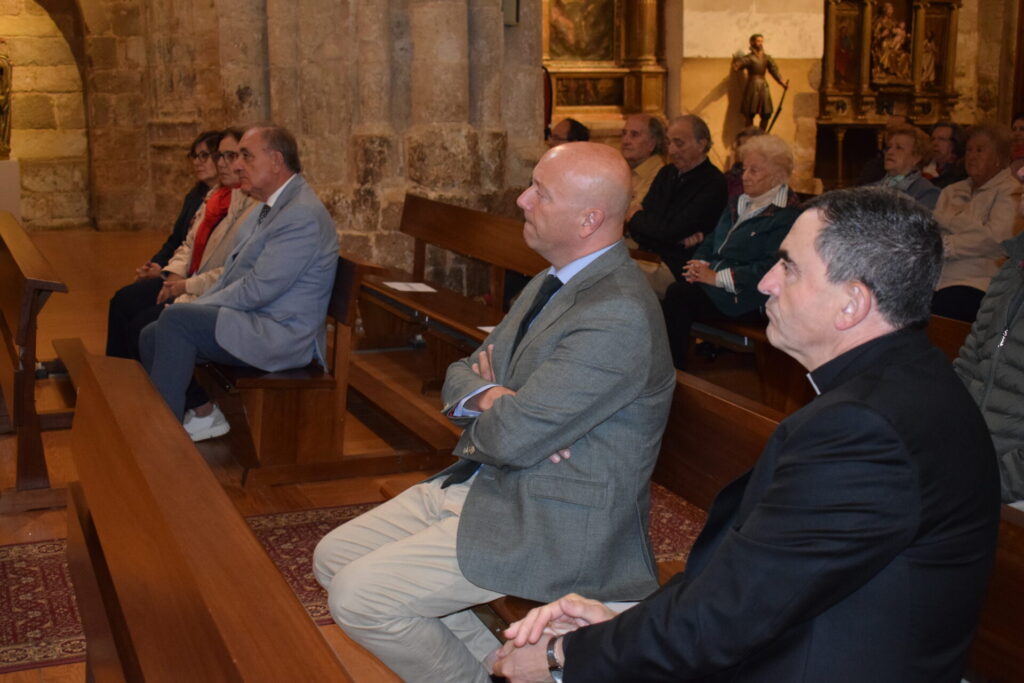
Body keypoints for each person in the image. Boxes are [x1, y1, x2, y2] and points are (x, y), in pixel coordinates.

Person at [493, 187, 1000, 683]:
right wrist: (619, 627)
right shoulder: (905, 384)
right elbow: (755, 585)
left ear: (852, 305)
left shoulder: (867, 431)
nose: (766, 283)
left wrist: (566, 658)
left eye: (790, 267)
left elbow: (728, 615)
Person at [312, 142, 675, 683]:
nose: (523, 199)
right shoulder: (551, 279)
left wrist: (502, 401)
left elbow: (512, 436)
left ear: (589, 218)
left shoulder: (615, 313)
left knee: (360, 598)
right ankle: (497, 666)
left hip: (553, 516)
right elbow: (464, 369)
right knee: (331, 557)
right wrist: (490, 396)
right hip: (493, 481)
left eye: (540, 192)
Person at [138, 124, 338, 425]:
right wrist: (195, 298)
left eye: (246, 156)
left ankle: (162, 440)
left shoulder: (300, 215)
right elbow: (233, 274)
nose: (237, 165)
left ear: (276, 161)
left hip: (279, 334)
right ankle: (201, 414)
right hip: (255, 318)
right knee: (150, 334)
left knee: (177, 321)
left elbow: (257, 290)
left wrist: (196, 305)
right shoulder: (269, 207)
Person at [661, 135, 801, 369]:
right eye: (744, 169)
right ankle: (668, 368)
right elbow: (712, 241)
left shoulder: (785, 215)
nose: (745, 176)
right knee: (676, 285)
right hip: (717, 286)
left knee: (678, 295)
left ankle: (671, 371)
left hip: (749, 296)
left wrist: (716, 278)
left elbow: (770, 268)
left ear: (777, 174)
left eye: (754, 171)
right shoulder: (740, 203)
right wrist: (698, 263)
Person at [105, 129, 222, 359]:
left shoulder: (236, 203)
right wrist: (158, 267)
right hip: (177, 273)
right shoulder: (197, 196)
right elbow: (180, 241)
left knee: (142, 324)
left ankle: (139, 382)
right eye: (194, 156)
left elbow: (216, 258)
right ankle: (117, 372)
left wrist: (172, 278)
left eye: (204, 156)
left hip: (196, 283)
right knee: (122, 300)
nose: (197, 162)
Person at [956, 229, 1024, 506]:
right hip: (972, 468)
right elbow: (968, 365)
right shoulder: (1013, 266)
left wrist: (987, 483)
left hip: (1010, 489)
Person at [932, 123, 1021, 322]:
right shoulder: (951, 191)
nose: (972, 156)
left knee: (944, 309)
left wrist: (948, 238)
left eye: (980, 150)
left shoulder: (1011, 191)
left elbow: (996, 238)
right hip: (936, 279)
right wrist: (976, 226)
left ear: (1000, 157)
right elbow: (932, 233)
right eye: (969, 150)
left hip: (979, 282)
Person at [627, 115, 727, 280]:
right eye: (668, 143)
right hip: (647, 257)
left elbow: (669, 231)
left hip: (679, 268)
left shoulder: (714, 182)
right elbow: (639, 232)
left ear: (701, 144)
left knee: (611, 280)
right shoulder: (667, 173)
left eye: (679, 143)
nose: (671, 150)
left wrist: (636, 216)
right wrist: (667, 234)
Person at [870, 123, 940, 209]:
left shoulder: (927, 192)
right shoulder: (871, 188)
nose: (890, 152)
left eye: (899, 148)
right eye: (889, 147)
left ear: (916, 157)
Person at [732, 34, 787, 130]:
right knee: (749, 113)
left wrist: (782, 82)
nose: (760, 43)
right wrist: (737, 64)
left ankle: (762, 135)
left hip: (763, 87)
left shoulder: (766, 58)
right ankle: (749, 136)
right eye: (758, 41)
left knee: (766, 113)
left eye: (761, 41)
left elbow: (774, 71)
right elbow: (738, 65)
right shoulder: (749, 58)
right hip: (752, 86)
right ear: (752, 42)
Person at [620, 113, 666, 214]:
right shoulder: (621, 169)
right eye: (624, 134)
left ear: (652, 143)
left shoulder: (661, 176)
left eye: (634, 135)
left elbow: (636, 212)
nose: (625, 141)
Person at [723, 126, 765, 199]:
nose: (740, 150)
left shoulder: (766, 178)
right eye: (739, 145)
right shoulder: (729, 176)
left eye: (747, 146)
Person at [922, 121, 967, 188]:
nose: (935, 143)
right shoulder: (922, 167)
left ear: (954, 143)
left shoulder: (961, 173)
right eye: (932, 139)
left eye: (941, 139)